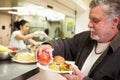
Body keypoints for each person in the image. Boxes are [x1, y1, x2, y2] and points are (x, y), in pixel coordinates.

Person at [36, 0, 120, 80]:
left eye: (95, 20)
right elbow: (66, 44)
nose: (89, 25)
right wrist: (49, 45)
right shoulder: (86, 37)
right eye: (90, 19)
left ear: (114, 21)